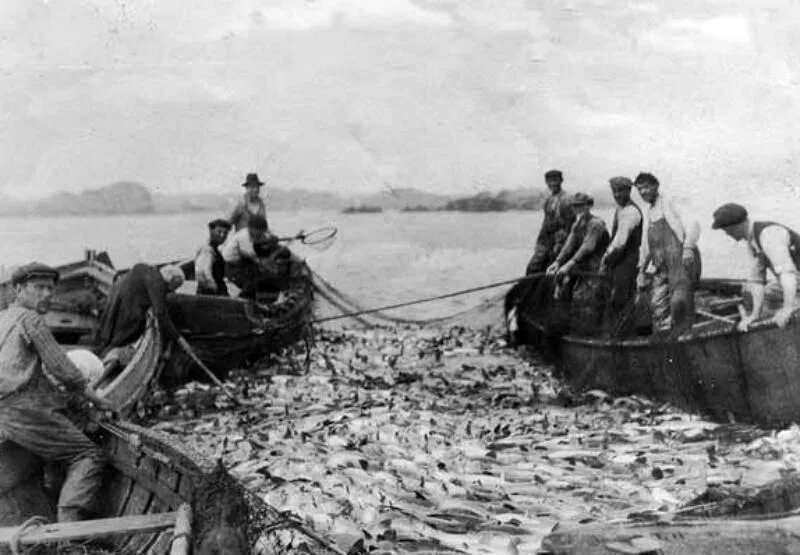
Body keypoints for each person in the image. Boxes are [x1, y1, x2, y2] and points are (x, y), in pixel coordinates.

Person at [0, 263, 109, 522]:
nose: (47, 294)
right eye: (39, 288)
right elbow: (63, 369)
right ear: (18, 289)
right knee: (89, 454)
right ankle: (70, 532)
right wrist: (100, 401)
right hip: (24, 410)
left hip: (4, 411)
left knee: (21, 467)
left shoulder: (4, 317)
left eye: (50, 289)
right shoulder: (30, 319)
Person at [712, 203, 800, 330]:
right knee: (761, 293)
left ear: (735, 226)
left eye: (726, 230)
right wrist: (754, 316)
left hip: (794, 278)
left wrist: (787, 309)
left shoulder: (769, 234)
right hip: (797, 280)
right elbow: (757, 281)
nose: (726, 234)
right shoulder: (752, 241)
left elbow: (788, 274)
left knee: (789, 308)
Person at [635, 172, 701, 335]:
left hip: (681, 262)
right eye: (639, 189)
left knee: (679, 303)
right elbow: (645, 246)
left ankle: (685, 338)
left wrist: (688, 247)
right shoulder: (648, 212)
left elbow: (694, 223)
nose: (643, 192)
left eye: (647, 187)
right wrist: (641, 271)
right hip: (661, 266)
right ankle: (665, 341)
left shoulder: (670, 202)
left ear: (656, 186)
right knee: (657, 304)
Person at [95, 264, 184, 371]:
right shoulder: (157, 283)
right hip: (129, 312)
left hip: (115, 300)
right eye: (175, 286)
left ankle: (100, 355)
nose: (173, 290)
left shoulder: (144, 268)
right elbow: (160, 313)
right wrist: (176, 337)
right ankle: (102, 368)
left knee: (107, 334)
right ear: (171, 280)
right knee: (118, 341)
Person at [546, 192, 610, 335]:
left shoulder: (596, 224)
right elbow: (569, 245)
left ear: (589, 206)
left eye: (581, 206)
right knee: (563, 290)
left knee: (586, 299)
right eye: (574, 206)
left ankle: (592, 332)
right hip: (583, 267)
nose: (577, 209)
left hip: (598, 269)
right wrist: (557, 262)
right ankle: (571, 328)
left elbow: (587, 247)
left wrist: (568, 266)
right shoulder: (578, 223)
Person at [599, 176, 643, 335]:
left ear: (629, 191)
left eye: (621, 191)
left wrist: (605, 261)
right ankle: (616, 333)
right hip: (620, 261)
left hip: (626, 262)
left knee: (620, 299)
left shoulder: (631, 212)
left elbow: (620, 243)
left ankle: (619, 337)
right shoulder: (621, 209)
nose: (617, 194)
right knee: (619, 297)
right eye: (614, 191)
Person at [222, 214, 287, 298]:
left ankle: (266, 299)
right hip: (231, 266)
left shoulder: (258, 234)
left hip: (245, 263)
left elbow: (266, 238)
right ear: (251, 228)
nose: (260, 235)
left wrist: (272, 240)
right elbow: (252, 255)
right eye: (258, 232)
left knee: (266, 279)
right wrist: (269, 268)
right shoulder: (243, 236)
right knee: (251, 283)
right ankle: (242, 301)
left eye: (262, 232)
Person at [525, 169, 575, 275]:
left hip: (561, 240)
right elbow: (546, 222)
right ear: (546, 182)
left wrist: (560, 245)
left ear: (561, 181)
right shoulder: (549, 200)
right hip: (546, 239)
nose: (553, 184)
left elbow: (570, 225)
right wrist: (540, 243)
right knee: (532, 268)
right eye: (550, 181)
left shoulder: (567, 199)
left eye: (555, 180)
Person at [195, 218, 231, 296]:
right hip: (211, 294)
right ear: (211, 231)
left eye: (225, 233)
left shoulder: (215, 250)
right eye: (219, 232)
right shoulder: (207, 250)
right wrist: (213, 287)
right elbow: (202, 273)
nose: (222, 235)